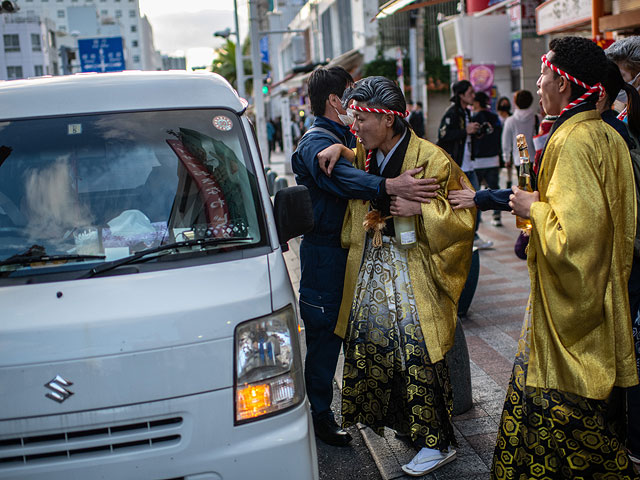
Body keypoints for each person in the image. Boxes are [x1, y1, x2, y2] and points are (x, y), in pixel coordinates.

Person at [491, 36, 639, 479]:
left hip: (569, 320)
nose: (538, 83)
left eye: (544, 75)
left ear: (565, 85)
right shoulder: (602, 131)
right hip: (603, 297)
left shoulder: (572, 141)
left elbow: (577, 240)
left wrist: (530, 208)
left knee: (560, 428)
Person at [334, 76, 475, 476]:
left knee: (417, 355)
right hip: (380, 267)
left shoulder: (431, 158)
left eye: (362, 118)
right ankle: (409, 426)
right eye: (354, 118)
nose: (355, 126)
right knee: (381, 351)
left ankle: (438, 441)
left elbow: (463, 218)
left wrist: (423, 212)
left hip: (415, 269)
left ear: (390, 121)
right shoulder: (366, 154)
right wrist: (338, 148)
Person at [291, 66, 439, 447]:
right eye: (351, 96)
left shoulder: (344, 138)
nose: (357, 113)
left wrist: (347, 147)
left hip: (359, 253)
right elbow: (342, 178)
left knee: (367, 337)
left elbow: (355, 159)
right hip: (326, 257)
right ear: (336, 100)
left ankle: (390, 415)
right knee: (325, 337)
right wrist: (388, 185)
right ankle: (321, 415)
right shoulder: (313, 142)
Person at [437, 80, 493, 249]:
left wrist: (477, 132)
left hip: (469, 165)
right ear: (461, 95)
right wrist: (465, 131)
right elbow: (443, 136)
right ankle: (463, 238)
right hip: (458, 168)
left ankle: (471, 236)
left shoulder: (467, 113)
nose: (473, 96)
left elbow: (465, 138)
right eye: (469, 93)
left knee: (474, 202)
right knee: (462, 204)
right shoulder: (452, 113)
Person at [471, 91, 503, 226]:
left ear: (477, 103)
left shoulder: (474, 118)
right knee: (494, 188)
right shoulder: (495, 117)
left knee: (475, 192)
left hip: (478, 160)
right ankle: (497, 216)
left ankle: (477, 216)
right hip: (493, 158)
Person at [501, 90, 538, 189]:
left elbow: (506, 142)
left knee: (525, 188)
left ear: (516, 102)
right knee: (537, 187)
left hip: (520, 158)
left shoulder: (510, 120)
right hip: (536, 158)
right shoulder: (537, 118)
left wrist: (507, 158)